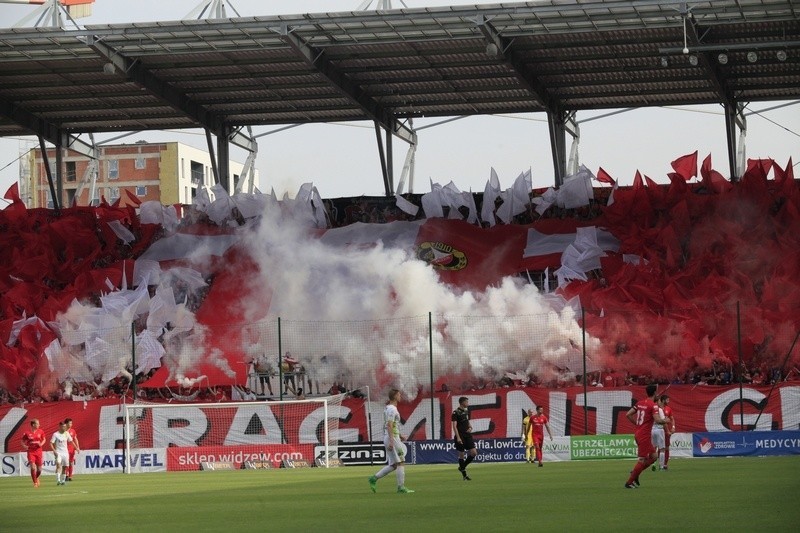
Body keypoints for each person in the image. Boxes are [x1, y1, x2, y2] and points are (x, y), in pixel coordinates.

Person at [368, 388, 414, 494]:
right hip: (391, 438)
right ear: (395, 396)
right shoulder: (392, 409)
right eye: (399, 395)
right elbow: (389, 425)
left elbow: (391, 425)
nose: (400, 396)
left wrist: (400, 435)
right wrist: (393, 440)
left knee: (394, 465)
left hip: (390, 437)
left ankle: (374, 478)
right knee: (401, 462)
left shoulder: (387, 408)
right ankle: (401, 487)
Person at [624, 384, 668, 488]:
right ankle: (629, 483)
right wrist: (666, 420)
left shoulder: (640, 403)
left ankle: (635, 473)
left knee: (654, 456)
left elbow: (628, 414)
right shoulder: (653, 405)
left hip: (639, 433)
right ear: (654, 393)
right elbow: (657, 420)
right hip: (644, 435)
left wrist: (637, 424)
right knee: (643, 459)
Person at [452, 396, 477, 480]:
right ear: (462, 402)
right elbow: (454, 426)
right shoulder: (455, 413)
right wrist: (458, 437)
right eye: (466, 402)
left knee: (474, 452)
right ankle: (464, 475)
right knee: (461, 455)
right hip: (461, 436)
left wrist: (470, 427)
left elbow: (467, 422)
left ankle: (462, 467)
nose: (468, 403)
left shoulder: (465, 411)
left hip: (467, 435)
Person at [51, 420, 79, 486]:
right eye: (63, 427)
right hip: (58, 453)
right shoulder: (55, 434)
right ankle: (58, 480)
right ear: (60, 427)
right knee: (58, 465)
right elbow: (51, 443)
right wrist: (54, 451)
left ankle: (63, 481)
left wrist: (77, 448)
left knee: (65, 467)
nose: (64, 428)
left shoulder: (66, 433)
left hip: (65, 453)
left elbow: (71, 441)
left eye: (65, 427)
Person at [22, 418, 46, 488]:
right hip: (31, 452)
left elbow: (44, 439)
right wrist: (24, 446)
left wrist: (41, 444)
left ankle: (36, 477)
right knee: (33, 467)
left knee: (39, 470)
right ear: (33, 424)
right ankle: (35, 483)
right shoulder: (27, 433)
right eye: (38, 423)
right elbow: (22, 441)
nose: (39, 425)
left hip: (38, 452)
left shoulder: (41, 431)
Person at [650, 397, 667, 472]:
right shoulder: (659, 409)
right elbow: (663, 420)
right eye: (659, 401)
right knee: (662, 449)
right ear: (657, 401)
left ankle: (653, 463)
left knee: (654, 448)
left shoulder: (650, 408)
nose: (660, 402)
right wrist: (667, 419)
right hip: (659, 430)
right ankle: (661, 467)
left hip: (652, 430)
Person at [660, 394, 676, 470]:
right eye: (667, 400)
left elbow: (672, 419)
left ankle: (665, 464)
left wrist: (673, 427)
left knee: (666, 448)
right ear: (663, 400)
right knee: (657, 448)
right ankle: (657, 464)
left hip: (666, 432)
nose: (668, 401)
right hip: (658, 430)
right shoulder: (657, 409)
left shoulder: (668, 409)